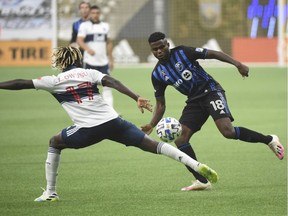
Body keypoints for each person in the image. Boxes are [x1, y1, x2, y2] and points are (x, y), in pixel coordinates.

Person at [0, 46, 218, 202]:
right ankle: (195, 165)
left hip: (87, 130)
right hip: (115, 122)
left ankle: (51, 192)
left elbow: (21, 83)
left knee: (54, 142)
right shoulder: (89, 72)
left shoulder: (53, 81)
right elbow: (112, 81)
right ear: (78, 59)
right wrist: (137, 97)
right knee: (155, 146)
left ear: (61, 62)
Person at [141, 32, 285, 191]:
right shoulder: (157, 74)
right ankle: (202, 181)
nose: (159, 51)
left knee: (227, 131)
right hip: (194, 101)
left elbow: (213, 53)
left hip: (211, 91)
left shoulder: (183, 52)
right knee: (181, 139)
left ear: (167, 44)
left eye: (162, 47)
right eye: (155, 49)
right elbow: (161, 104)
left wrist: (237, 64)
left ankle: (270, 140)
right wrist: (151, 124)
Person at [77, 5, 114, 107]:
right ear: (90, 14)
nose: (95, 15)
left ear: (100, 14)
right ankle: (90, 110)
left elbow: (109, 42)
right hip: (90, 62)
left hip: (103, 62)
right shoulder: (84, 26)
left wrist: (110, 59)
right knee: (89, 89)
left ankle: (111, 112)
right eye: (93, 13)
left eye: (97, 13)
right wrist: (88, 49)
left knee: (107, 87)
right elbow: (79, 40)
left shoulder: (105, 26)